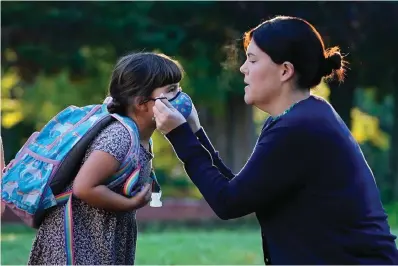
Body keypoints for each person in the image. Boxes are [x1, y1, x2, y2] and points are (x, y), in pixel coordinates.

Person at [153, 16, 398, 264]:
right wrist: (195, 131)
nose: (243, 69)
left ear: (285, 70)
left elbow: (228, 203)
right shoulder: (301, 116)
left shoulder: (300, 128)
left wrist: (178, 135)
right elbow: (238, 190)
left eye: (252, 59)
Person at [28, 52, 185, 265]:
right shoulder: (119, 137)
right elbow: (84, 187)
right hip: (75, 248)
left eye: (178, 87)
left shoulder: (140, 136)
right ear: (141, 103)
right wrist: (129, 204)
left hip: (99, 244)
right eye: (171, 90)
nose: (181, 95)